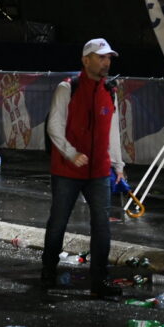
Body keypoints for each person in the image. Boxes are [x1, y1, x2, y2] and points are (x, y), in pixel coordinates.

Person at [41, 38, 124, 297]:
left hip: (99, 171)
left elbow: (112, 132)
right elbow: (54, 126)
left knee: (102, 226)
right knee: (58, 223)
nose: (106, 62)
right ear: (85, 59)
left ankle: (100, 282)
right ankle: (47, 272)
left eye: (108, 57)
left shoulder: (109, 91)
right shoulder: (67, 88)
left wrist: (118, 164)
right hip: (67, 170)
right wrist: (71, 153)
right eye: (101, 57)